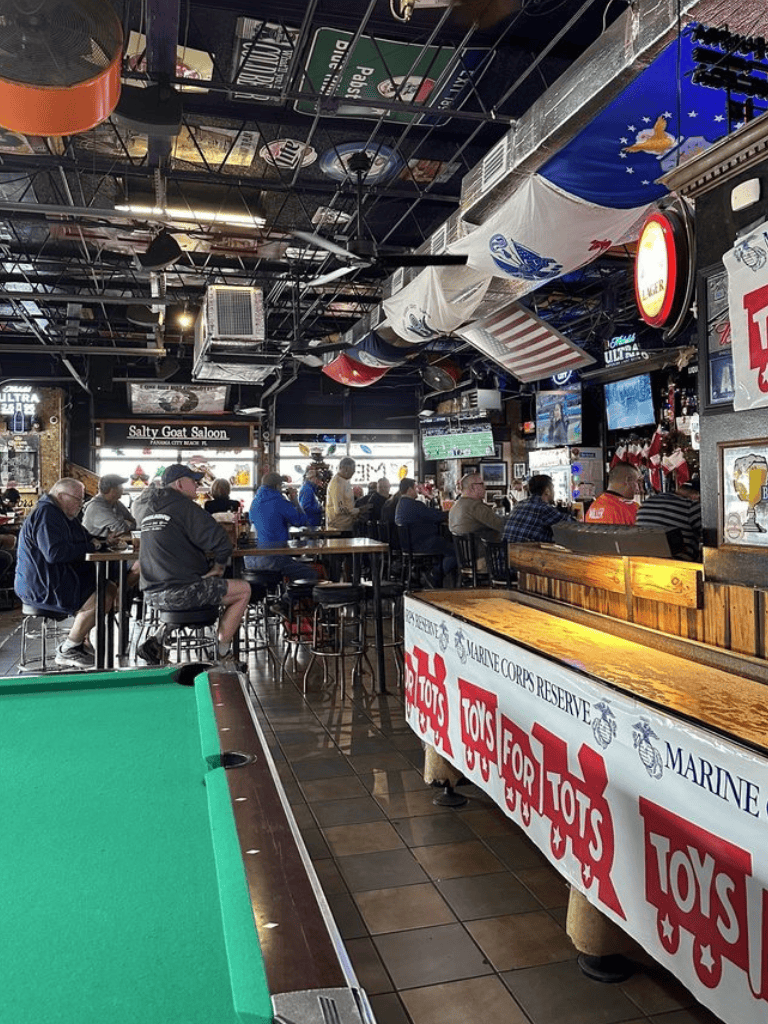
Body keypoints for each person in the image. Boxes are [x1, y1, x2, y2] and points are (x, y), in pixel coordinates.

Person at [138, 465, 251, 667]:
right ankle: (223, 653)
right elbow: (221, 542)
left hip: (151, 593)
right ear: (180, 484)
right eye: (194, 481)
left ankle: (157, 638)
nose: (198, 486)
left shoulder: (148, 507)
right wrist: (218, 568)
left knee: (189, 585)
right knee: (243, 589)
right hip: (179, 592)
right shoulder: (184, 506)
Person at [14, 478, 117, 668]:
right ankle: (68, 648)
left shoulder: (63, 515)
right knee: (101, 597)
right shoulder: (47, 513)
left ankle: (81, 643)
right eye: (77, 499)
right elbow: (54, 553)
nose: (81, 504)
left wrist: (103, 542)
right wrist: (90, 545)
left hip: (54, 579)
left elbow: (86, 539)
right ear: (61, 496)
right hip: (42, 585)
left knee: (108, 587)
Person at [246, 472, 320, 582]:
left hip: (251, 561)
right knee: (311, 573)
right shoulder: (280, 502)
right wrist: (294, 500)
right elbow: (301, 521)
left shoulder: (254, 503)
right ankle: (288, 598)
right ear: (277, 486)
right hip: (273, 558)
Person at [395, 477, 457, 586]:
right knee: (457, 551)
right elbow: (436, 515)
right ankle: (435, 574)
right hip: (422, 544)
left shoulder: (401, 504)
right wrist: (451, 513)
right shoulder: (414, 505)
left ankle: (436, 574)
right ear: (410, 490)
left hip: (408, 546)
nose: (417, 491)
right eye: (415, 488)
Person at [635, 476, 702, 560]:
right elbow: (711, 537)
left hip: (643, 563)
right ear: (696, 496)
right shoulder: (691, 506)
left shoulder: (647, 502)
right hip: (678, 567)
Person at [448, 472, 505, 571]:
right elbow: (502, 526)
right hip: (481, 560)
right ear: (473, 487)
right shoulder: (475, 506)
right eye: (482, 484)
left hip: (465, 560)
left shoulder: (456, 506)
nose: (485, 488)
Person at [503, 474, 572, 544]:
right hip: (527, 553)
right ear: (547, 490)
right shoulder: (544, 508)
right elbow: (572, 526)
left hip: (507, 553)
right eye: (553, 488)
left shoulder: (518, 505)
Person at [82, 474, 136, 539]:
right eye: (121, 486)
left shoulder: (115, 502)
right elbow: (122, 528)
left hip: (109, 545)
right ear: (112, 489)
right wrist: (125, 523)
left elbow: (133, 523)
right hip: (95, 546)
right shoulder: (97, 507)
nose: (123, 489)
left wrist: (117, 529)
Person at [326, 456, 360, 533]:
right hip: (339, 528)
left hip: (346, 526)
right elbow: (339, 509)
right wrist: (358, 510)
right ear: (345, 469)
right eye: (353, 470)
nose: (354, 472)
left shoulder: (344, 481)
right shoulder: (337, 484)